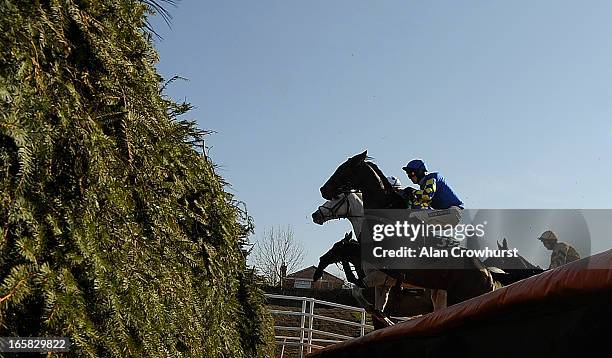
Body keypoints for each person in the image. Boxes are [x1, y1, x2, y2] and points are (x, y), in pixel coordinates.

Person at [401, 159, 464, 226]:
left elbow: (427, 195)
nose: (409, 177)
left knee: (414, 216)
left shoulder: (432, 177)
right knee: (419, 224)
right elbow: (421, 205)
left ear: (419, 172)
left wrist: (412, 191)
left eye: (412, 173)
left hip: (452, 212)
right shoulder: (424, 187)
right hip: (447, 214)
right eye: (408, 174)